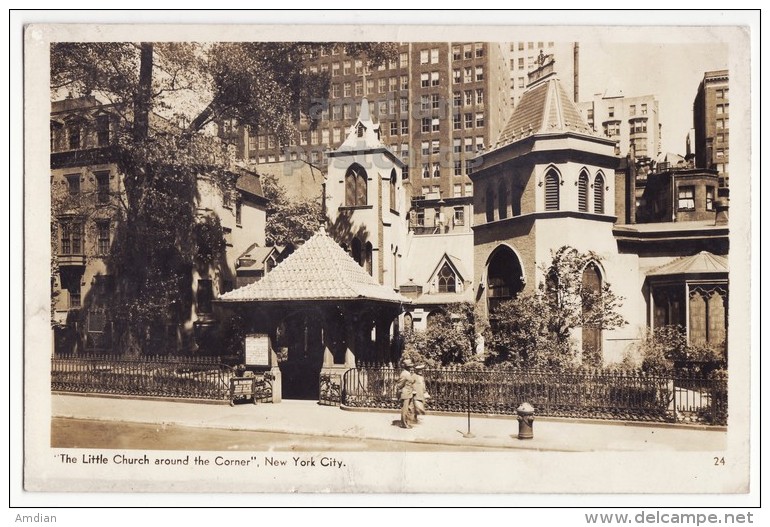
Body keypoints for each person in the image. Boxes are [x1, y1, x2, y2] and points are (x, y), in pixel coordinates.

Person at [395, 358, 416, 428]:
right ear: (406, 366)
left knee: (409, 409)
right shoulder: (404, 374)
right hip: (405, 393)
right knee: (405, 409)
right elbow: (399, 385)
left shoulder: (408, 373)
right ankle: (404, 424)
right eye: (410, 366)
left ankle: (407, 422)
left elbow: (411, 381)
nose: (411, 367)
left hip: (409, 393)